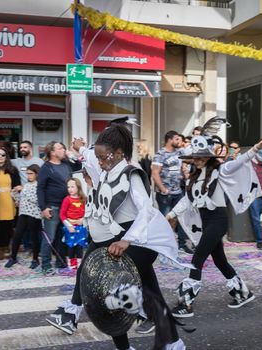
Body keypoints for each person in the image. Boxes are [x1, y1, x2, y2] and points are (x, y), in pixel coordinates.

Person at [46, 123, 187, 350]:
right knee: (149, 294)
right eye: (98, 157)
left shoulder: (131, 174)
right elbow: (89, 154)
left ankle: (139, 323)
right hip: (109, 238)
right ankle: (172, 341)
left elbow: (146, 211)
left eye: (103, 157)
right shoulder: (103, 162)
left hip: (136, 240)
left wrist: (126, 240)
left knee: (105, 293)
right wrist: (79, 148)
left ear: (119, 153)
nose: (98, 162)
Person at [167, 117, 260, 318]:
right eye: (196, 157)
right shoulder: (193, 177)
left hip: (218, 221)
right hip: (206, 221)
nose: (199, 160)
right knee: (220, 261)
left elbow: (240, 162)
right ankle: (243, 294)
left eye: (202, 157)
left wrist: (255, 148)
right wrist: (171, 214)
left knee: (197, 258)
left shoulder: (220, 171)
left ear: (209, 157)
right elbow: (187, 200)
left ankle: (186, 303)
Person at [37, 141, 81, 275]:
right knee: (49, 237)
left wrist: (72, 154)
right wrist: (43, 207)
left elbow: (78, 165)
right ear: (52, 152)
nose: (63, 150)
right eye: (60, 148)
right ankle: (45, 265)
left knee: (62, 236)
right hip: (53, 207)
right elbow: (40, 188)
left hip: (67, 207)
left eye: (63, 147)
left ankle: (60, 261)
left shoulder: (66, 164)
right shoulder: (46, 167)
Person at [151, 131, 192, 254]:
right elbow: (155, 173)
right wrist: (163, 189)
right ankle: (165, 244)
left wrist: (185, 171)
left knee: (182, 217)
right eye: (177, 139)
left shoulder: (180, 152)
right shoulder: (160, 154)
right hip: (165, 194)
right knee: (166, 219)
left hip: (178, 191)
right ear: (170, 140)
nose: (180, 142)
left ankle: (182, 243)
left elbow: (190, 159)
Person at [5, 164, 42, 269]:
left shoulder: (39, 185)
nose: (28, 176)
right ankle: (13, 257)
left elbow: (36, 200)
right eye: (27, 174)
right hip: (23, 213)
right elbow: (20, 199)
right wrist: (14, 193)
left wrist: (22, 190)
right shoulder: (25, 185)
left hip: (34, 214)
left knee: (34, 237)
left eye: (31, 174)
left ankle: (35, 259)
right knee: (17, 235)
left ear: (36, 174)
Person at [0, 147, 21, 260]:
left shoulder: (12, 169)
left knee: (7, 225)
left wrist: (17, 195)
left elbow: (16, 185)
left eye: (3, 155)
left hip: (8, 199)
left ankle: (5, 247)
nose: (0, 157)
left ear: (6, 156)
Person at [59, 178, 86, 270]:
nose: (70, 189)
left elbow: (87, 212)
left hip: (80, 227)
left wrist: (83, 220)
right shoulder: (67, 199)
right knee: (71, 246)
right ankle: (72, 264)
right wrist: (69, 225)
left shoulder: (83, 199)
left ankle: (79, 264)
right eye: (68, 187)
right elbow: (62, 214)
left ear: (78, 187)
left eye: (72, 187)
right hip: (70, 227)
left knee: (79, 246)